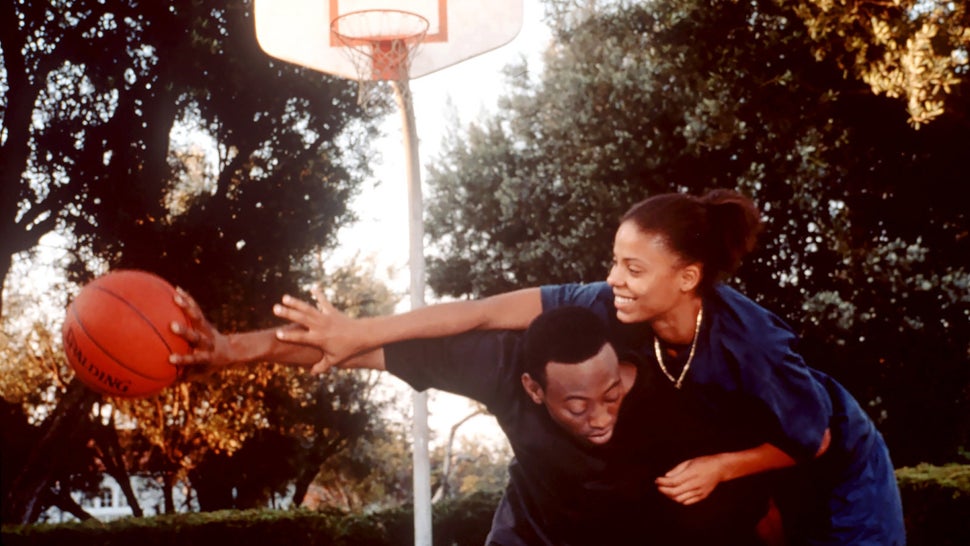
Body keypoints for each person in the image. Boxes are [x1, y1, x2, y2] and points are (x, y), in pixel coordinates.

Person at [266, 189, 906, 545]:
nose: (612, 280)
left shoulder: (756, 344)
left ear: (687, 278)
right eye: (614, 261)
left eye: (633, 268)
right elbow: (486, 314)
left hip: (834, 459)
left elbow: (812, 437)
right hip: (761, 459)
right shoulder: (609, 306)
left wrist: (719, 467)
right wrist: (361, 332)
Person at [171, 300, 776, 545]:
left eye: (611, 394)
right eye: (577, 406)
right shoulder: (496, 363)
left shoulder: (673, 391)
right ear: (532, 389)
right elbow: (346, 349)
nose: (601, 418)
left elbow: (781, 466)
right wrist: (231, 349)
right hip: (530, 533)